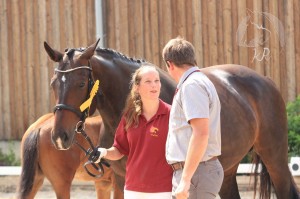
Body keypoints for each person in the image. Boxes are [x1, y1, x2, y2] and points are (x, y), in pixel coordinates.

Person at [94, 64, 173, 199]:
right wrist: (103, 152)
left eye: (156, 81)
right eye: (148, 81)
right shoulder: (129, 117)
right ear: (137, 87)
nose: (154, 85)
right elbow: (119, 150)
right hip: (133, 190)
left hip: (164, 190)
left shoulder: (172, 115)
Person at [162, 37, 224, 199]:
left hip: (196, 174)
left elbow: (201, 134)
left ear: (170, 64)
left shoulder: (191, 85)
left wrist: (185, 179)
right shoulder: (198, 81)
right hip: (198, 172)